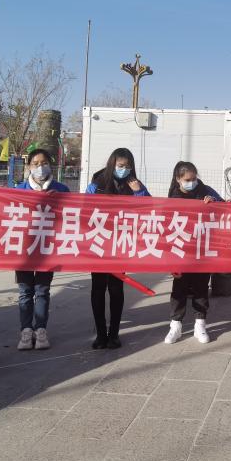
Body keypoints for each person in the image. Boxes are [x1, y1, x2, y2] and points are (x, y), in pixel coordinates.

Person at [85, 147, 150, 349]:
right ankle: (100, 334)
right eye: (120, 166)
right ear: (112, 164)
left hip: (120, 244)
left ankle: (114, 334)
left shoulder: (135, 185)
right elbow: (84, 210)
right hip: (99, 244)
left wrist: (138, 191)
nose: (124, 169)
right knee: (98, 288)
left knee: (116, 289)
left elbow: (149, 208)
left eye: (127, 166)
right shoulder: (96, 185)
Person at [13, 148, 70, 351]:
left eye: (44, 163)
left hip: (48, 250)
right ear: (28, 166)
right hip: (24, 250)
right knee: (25, 292)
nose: (40, 167)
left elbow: (73, 217)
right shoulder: (18, 190)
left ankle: (41, 330)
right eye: (35, 164)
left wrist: (59, 201)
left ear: (50, 165)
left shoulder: (61, 189)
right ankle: (26, 331)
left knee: (42, 291)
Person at [164, 161, 223, 344]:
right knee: (179, 288)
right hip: (181, 249)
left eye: (194, 178)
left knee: (201, 286)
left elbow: (225, 206)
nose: (192, 182)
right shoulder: (172, 197)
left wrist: (214, 203)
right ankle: (176, 326)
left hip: (202, 248)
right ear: (178, 179)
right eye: (187, 180)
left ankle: (200, 324)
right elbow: (166, 225)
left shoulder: (206, 191)